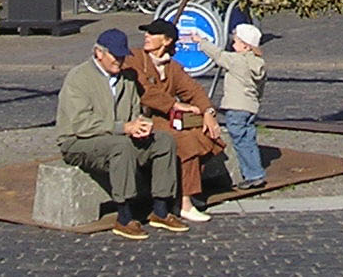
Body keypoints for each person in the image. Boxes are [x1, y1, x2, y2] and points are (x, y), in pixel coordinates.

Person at [55, 28, 182, 241]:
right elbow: (81, 124)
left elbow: (134, 113)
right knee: (120, 147)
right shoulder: (78, 78)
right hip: (79, 141)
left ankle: (160, 209)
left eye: (123, 56)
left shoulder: (127, 78)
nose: (120, 61)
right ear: (99, 53)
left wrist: (142, 125)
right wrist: (123, 128)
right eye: (115, 56)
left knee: (164, 141)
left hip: (118, 137)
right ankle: (124, 216)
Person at [131, 19, 227, 221]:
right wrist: (174, 105)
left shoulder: (172, 67)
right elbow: (145, 91)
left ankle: (184, 192)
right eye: (147, 33)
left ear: (166, 41)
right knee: (187, 143)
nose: (146, 36)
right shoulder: (136, 58)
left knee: (207, 136)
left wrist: (208, 112)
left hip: (166, 120)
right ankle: (184, 202)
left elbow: (194, 91)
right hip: (142, 120)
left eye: (152, 34)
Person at [190, 23, 267, 190]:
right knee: (249, 139)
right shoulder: (259, 64)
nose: (233, 44)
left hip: (236, 107)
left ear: (246, 46)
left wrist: (201, 42)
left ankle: (251, 175)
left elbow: (218, 54)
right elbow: (260, 88)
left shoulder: (236, 60)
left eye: (236, 42)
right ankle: (257, 172)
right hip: (250, 107)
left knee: (239, 141)